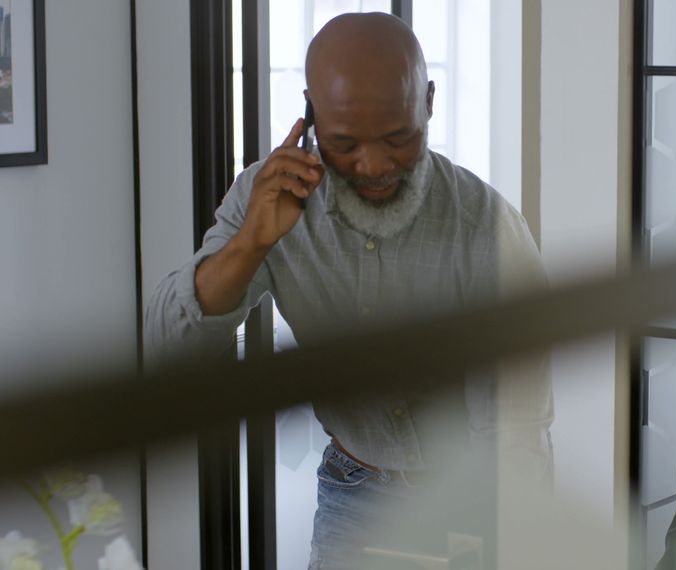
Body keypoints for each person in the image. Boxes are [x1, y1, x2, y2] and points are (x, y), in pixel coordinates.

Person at [145, 12, 553, 569]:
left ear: (429, 103)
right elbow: (168, 346)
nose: (375, 165)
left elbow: (514, 428)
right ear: (311, 113)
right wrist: (251, 243)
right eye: (345, 143)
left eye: (398, 138)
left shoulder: (485, 226)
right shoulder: (264, 197)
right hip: (352, 489)